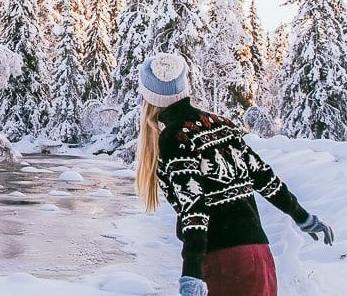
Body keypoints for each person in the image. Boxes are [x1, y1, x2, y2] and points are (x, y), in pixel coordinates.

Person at [134, 52, 335, 296]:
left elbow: (195, 210)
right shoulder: (220, 124)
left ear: (148, 97)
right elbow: (263, 176)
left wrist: (191, 274)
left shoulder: (175, 139)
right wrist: (302, 217)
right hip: (260, 256)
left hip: (226, 263)